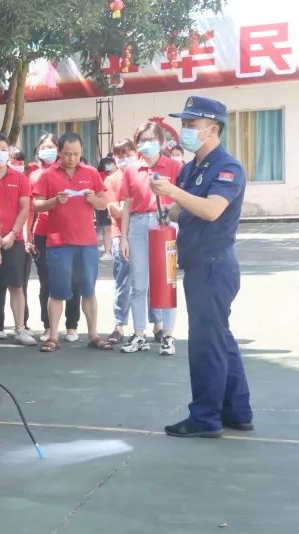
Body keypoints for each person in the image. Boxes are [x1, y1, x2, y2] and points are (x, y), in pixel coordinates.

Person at [153, 96, 251, 438]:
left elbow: (211, 210)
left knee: (206, 344)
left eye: (191, 125)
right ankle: (237, 410)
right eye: (184, 124)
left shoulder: (228, 167)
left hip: (213, 265)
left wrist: (172, 192)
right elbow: (186, 208)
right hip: (199, 264)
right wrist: (168, 207)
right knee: (220, 338)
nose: (185, 130)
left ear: (213, 129)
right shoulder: (192, 168)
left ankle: (206, 418)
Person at [32, 132, 111, 352]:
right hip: (59, 242)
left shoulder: (91, 172)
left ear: (81, 152)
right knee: (57, 290)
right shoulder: (47, 175)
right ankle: (53, 336)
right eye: (67, 154)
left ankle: (93, 335)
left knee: (88, 290)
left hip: (86, 242)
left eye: (76, 154)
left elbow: (104, 202)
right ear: (59, 152)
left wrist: (93, 199)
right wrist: (55, 201)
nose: (72, 158)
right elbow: (36, 204)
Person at [118, 122, 181, 356]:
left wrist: (171, 213)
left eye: (151, 139)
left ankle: (168, 335)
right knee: (139, 283)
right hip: (138, 225)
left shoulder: (174, 166)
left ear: (161, 142)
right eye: (142, 140)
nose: (146, 144)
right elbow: (126, 205)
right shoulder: (131, 169)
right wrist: (123, 237)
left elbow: (182, 198)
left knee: (167, 280)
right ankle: (139, 334)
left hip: (165, 224)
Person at [0, 134, 37, 347]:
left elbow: (25, 208)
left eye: (3, 149)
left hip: (15, 239)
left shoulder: (20, 178)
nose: (0, 153)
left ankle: (20, 329)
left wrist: (13, 233)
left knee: (16, 285)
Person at [28, 133, 80, 342]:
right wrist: (27, 234)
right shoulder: (34, 175)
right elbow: (30, 208)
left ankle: (72, 325)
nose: (47, 151)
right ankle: (49, 326)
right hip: (42, 233)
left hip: (68, 234)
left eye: (52, 147)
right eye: (44, 147)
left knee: (73, 281)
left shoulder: (72, 171)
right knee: (46, 282)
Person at [102, 139, 143, 346]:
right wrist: (137, 207)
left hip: (145, 234)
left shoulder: (144, 174)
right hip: (120, 235)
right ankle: (119, 325)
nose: (124, 159)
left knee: (147, 281)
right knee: (123, 282)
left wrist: (127, 207)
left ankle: (157, 325)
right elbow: (115, 211)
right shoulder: (111, 180)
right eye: (119, 156)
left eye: (128, 154)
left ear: (136, 153)